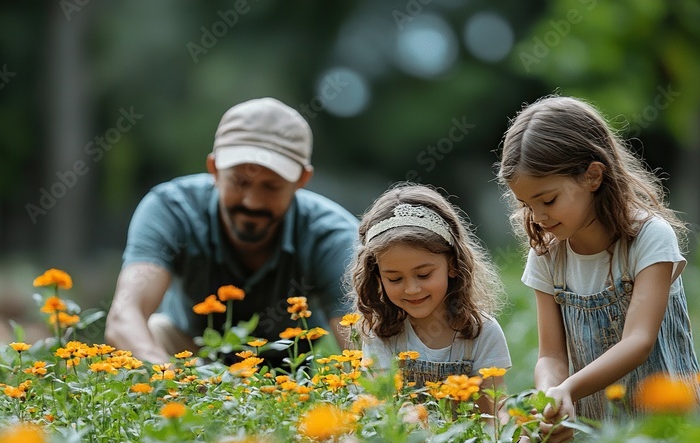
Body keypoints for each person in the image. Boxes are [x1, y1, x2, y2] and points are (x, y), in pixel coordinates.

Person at [496, 95, 700, 443]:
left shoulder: (649, 239)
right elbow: (551, 355)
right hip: (597, 438)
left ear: (593, 175)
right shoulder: (548, 256)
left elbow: (638, 342)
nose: (538, 217)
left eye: (548, 200)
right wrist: (551, 398)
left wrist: (569, 389)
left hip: (670, 431)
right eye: (527, 205)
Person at [105, 97, 359, 364]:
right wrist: (170, 381)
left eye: (271, 186)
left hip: (290, 368)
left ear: (301, 180)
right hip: (188, 355)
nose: (252, 201)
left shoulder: (332, 235)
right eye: (239, 182)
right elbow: (125, 315)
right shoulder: (172, 209)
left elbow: (362, 341)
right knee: (153, 332)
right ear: (214, 169)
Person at [350, 183, 511, 416]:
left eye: (424, 275)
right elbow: (383, 414)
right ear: (377, 277)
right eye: (394, 279)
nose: (412, 289)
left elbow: (494, 417)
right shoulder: (381, 335)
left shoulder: (482, 332)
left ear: (453, 265)